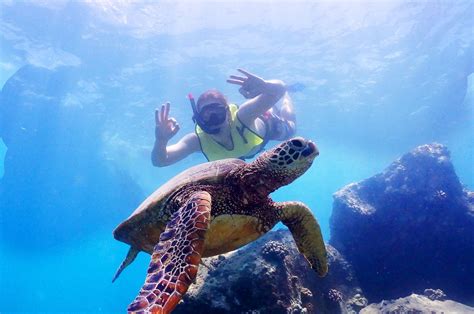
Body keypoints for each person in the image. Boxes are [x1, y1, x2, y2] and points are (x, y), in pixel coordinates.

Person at [151, 69, 296, 166]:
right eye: (207, 114)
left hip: (270, 126)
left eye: (217, 112)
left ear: (227, 112)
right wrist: (161, 140)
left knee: (291, 128)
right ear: (199, 118)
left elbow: (279, 89)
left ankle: (289, 99)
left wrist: (265, 86)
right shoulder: (197, 141)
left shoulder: (243, 116)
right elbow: (160, 161)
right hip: (243, 154)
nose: (213, 118)